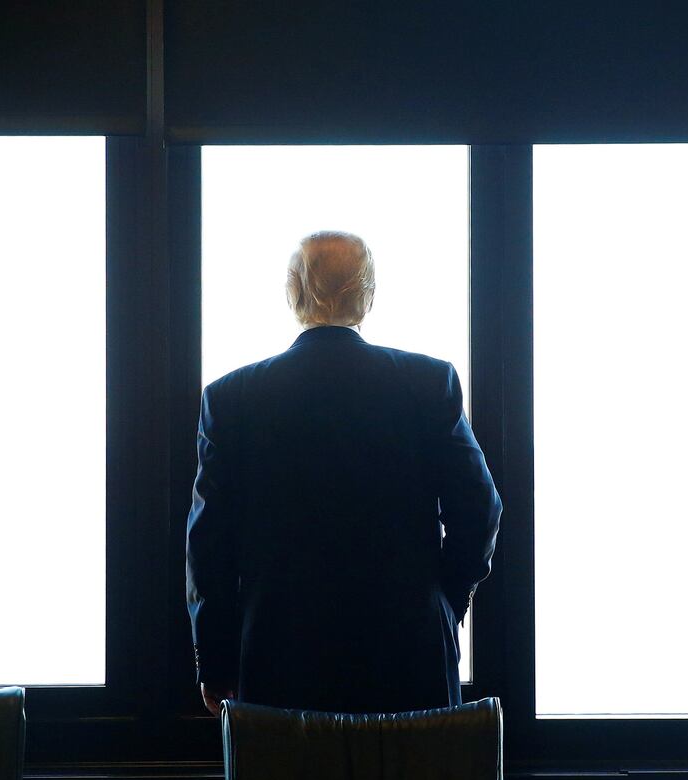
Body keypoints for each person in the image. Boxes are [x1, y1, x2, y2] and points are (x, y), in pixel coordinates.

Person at [185, 231, 502, 715]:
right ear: (367, 296)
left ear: (292, 292)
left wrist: (215, 657)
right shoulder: (428, 383)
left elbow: (208, 544)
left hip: (278, 653)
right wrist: (442, 601)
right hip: (408, 650)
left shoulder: (231, 399)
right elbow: (480, 508)